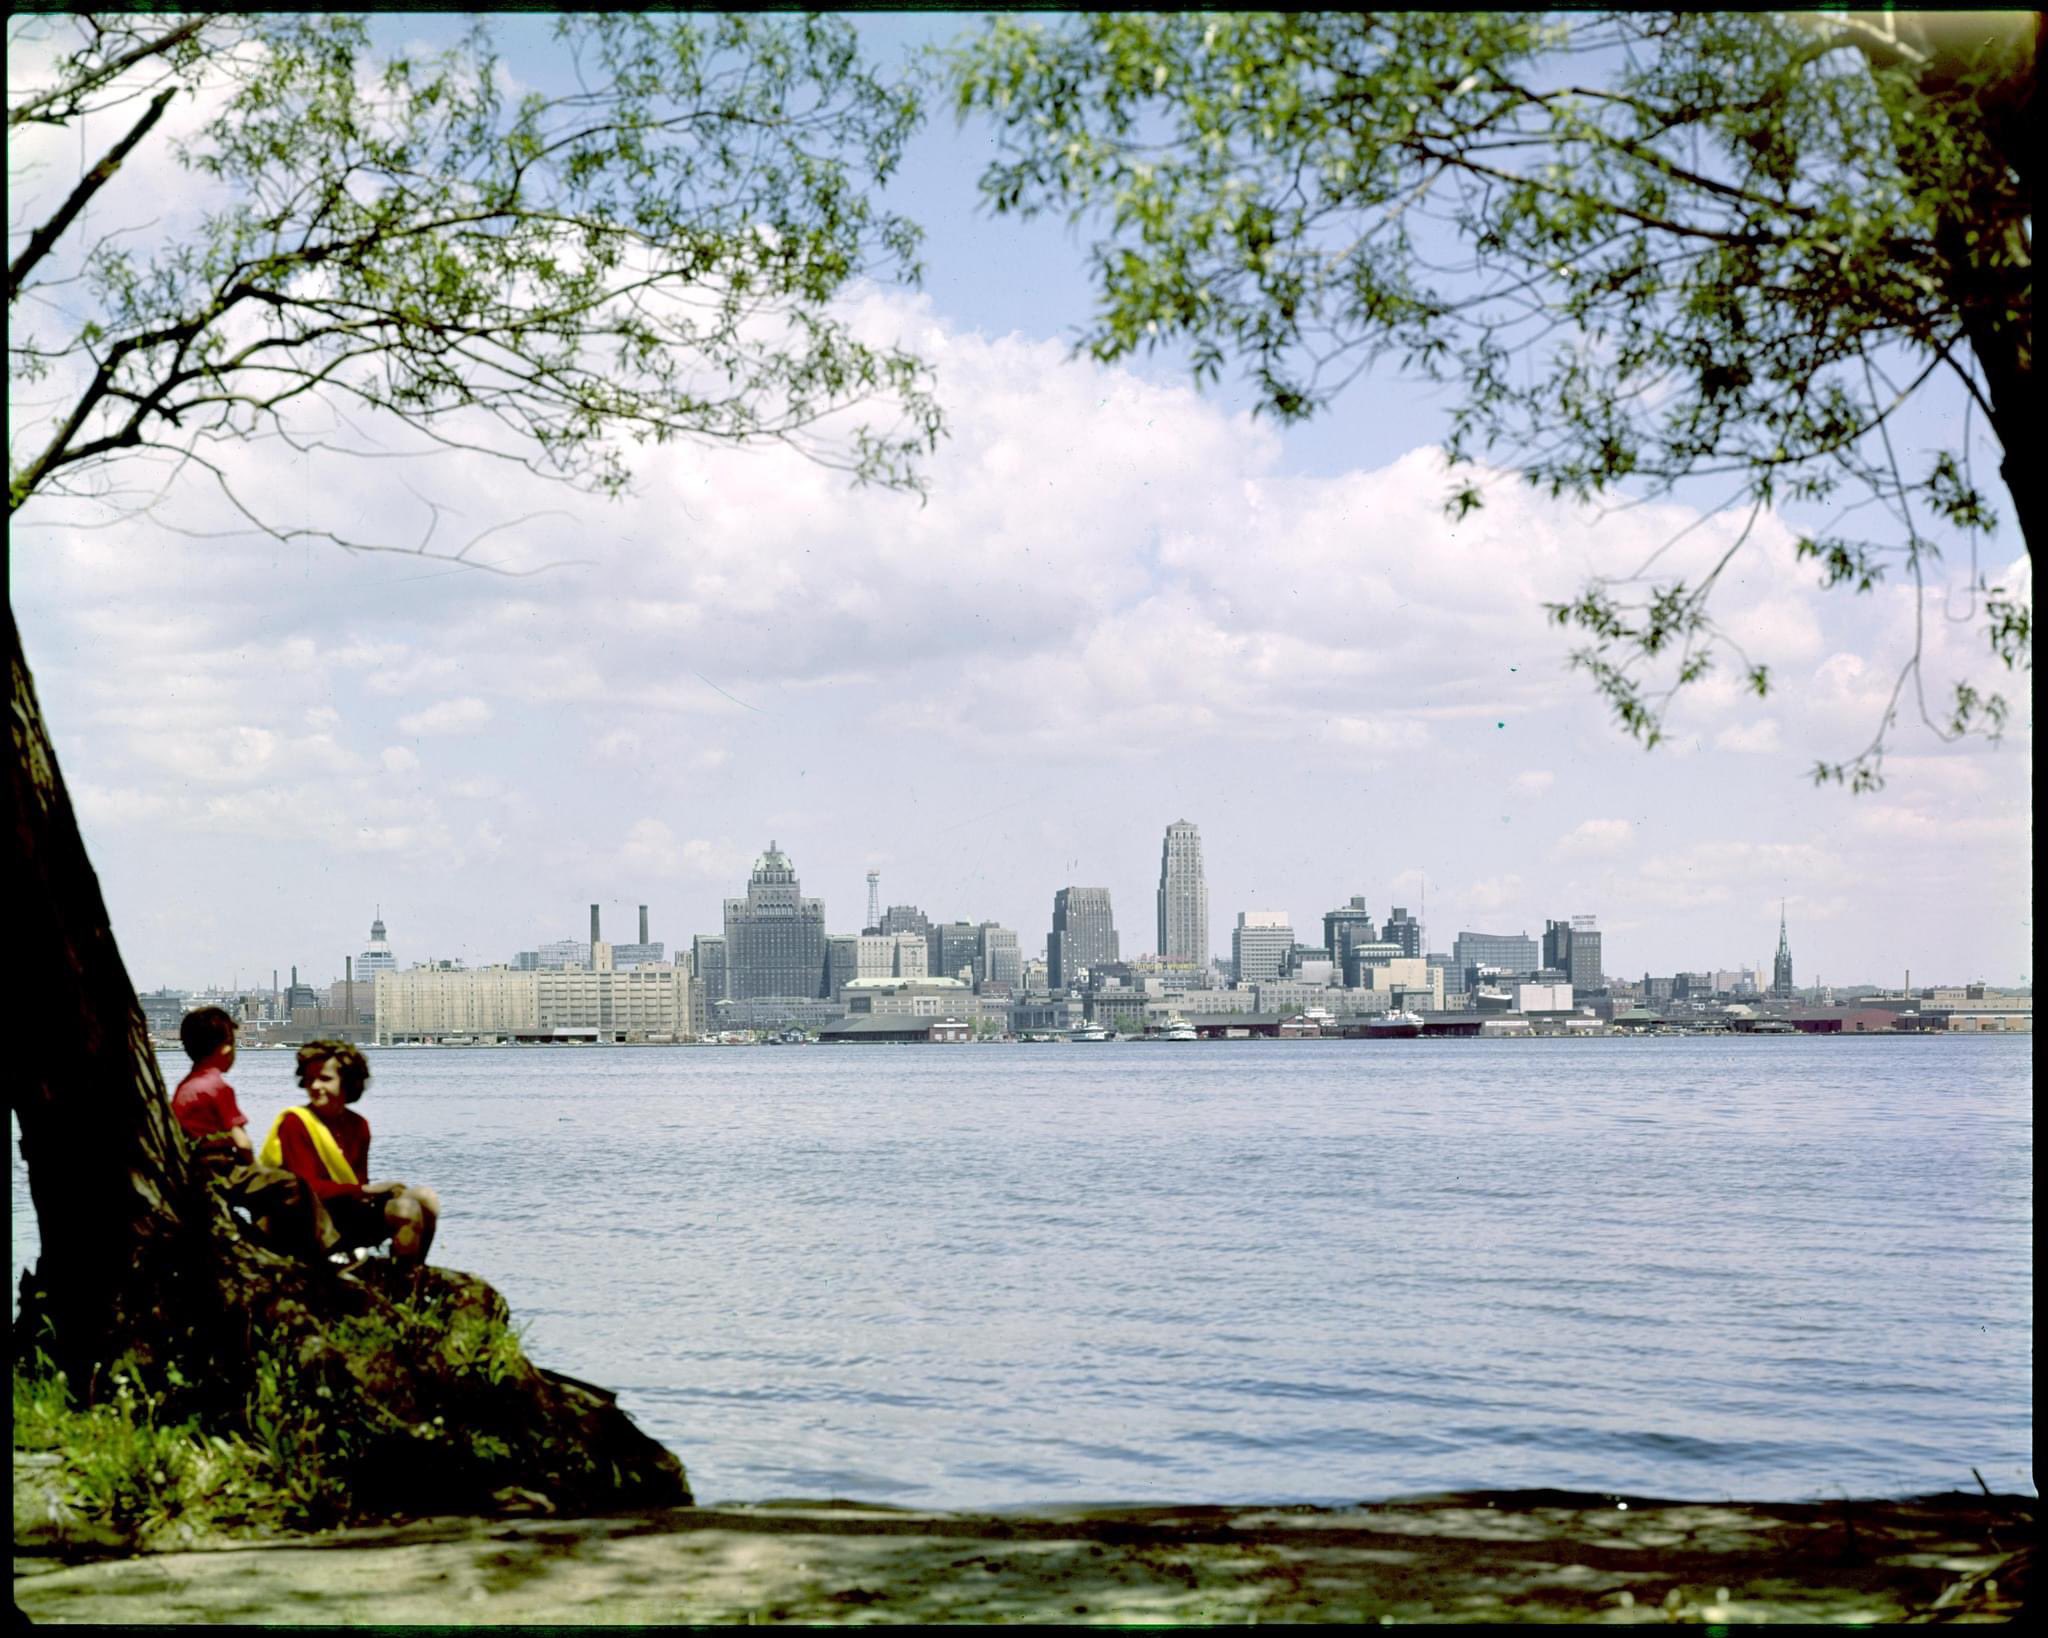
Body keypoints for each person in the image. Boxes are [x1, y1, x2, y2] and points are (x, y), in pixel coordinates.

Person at [170, 1007, 338, 1258]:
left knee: (269, 1194)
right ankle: (328, 1250)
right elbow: (243, 1143)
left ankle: (273, 1245)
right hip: (223, 1171)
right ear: (226, 1048)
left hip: (197, 1169)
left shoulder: (185, 1086)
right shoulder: (217, 1087)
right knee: (293, 1185)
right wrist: (254, 1167)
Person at [260, 1040, 440, 1265]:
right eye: (309, 1079)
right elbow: (306, 1188)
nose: (315, 1086)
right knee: (404, 1210)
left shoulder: (358, 1125)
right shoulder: (295, 1123)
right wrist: (367, 1190)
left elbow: (356, 1181)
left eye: (325, 1079)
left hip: (345, 1210)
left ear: (347, 1081)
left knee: (426, 1198)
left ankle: (415, 1272)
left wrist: (376, 1192)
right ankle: (403, 1279)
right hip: (308, 1219)